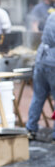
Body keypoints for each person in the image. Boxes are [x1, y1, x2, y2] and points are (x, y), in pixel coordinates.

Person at [26, 13, 55, 143]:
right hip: (53, 61)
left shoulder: (52, 15)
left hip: (41, 58)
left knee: (38, 97)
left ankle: (30, 129)